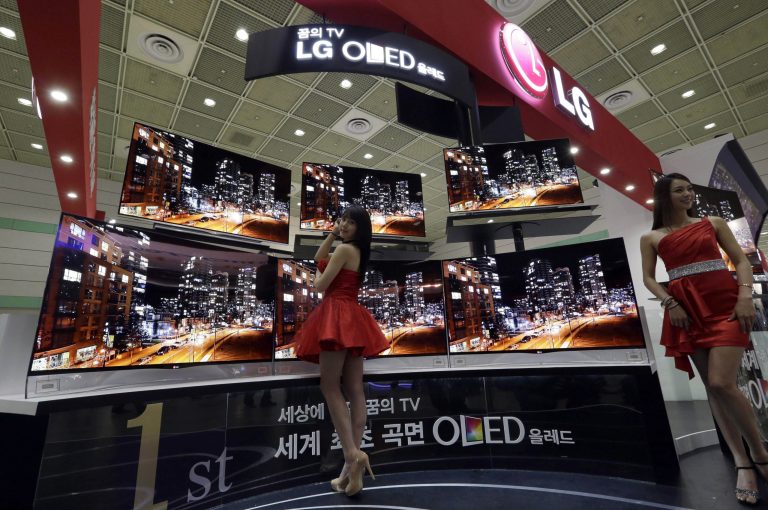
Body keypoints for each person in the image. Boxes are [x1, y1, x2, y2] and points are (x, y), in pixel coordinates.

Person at [640, 172, 762, 505]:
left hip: (725, 305)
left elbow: (740, 260)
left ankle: (760, 453)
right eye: (680, 190)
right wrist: (670, 302)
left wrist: (744, 297)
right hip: (686, 311)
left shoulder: (713, 222)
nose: (688, 194)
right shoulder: (651, 237)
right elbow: (649, 278)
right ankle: (742, 462)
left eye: (690, 189)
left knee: (723, 383)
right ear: (664, 196)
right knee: (712, 387)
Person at [294, 205, 389, 496]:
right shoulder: (356, 252)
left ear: (361, 228)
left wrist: (313, 279)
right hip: (354, 317)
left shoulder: (346, 251)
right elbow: (320, 258)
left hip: (336, 314)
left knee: (330, 386)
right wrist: (332, 234)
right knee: (355, 390)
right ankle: (349, 473)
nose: (344, 224)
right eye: (343, 220)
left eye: (350, 222)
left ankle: (352, 454)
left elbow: (320, 283)